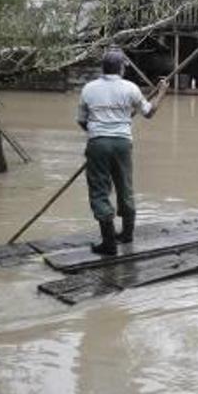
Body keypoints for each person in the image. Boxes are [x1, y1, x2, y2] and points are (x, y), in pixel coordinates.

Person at [77, 49, 169, 255]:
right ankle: (127, 235)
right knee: (124, 186)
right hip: (122, 143)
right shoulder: (131, 88)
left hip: (98, 143)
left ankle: (109, 243)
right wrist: (162, 91)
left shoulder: (88, 89)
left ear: (103, 68)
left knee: (100, 192)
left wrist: (96, 136)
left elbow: (82, 121)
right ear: (121, 68)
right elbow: (149, 112)